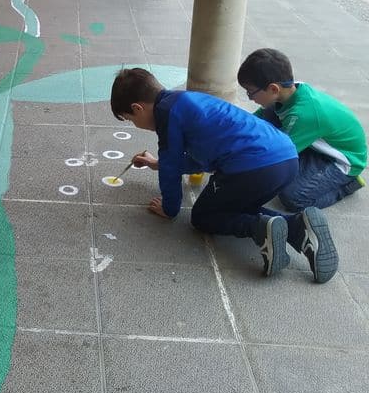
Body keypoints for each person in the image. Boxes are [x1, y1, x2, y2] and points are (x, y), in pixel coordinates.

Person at [110, 68, 339, 283]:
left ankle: (258, 228)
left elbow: (172, 170)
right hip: (286, 159)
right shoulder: (185, 101)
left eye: (131, 119)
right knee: (234, 204)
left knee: (203, 216)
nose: (136, 124)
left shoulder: (165, 114)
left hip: (253, 167)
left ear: (138, 108)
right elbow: (198, 160)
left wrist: (169, 209)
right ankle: (298, 227)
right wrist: (158, 164)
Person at [238, 48, 366, 211]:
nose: (250, 98)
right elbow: (255, 121)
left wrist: (237, 163)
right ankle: (305, 158)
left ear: (273, 89)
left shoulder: (302, 115)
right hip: (316, 141)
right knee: (269, 113)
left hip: (345, 161)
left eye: (250, 93)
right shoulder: (292, 90)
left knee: (292, 197)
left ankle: (348, 185)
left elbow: (276, 156)